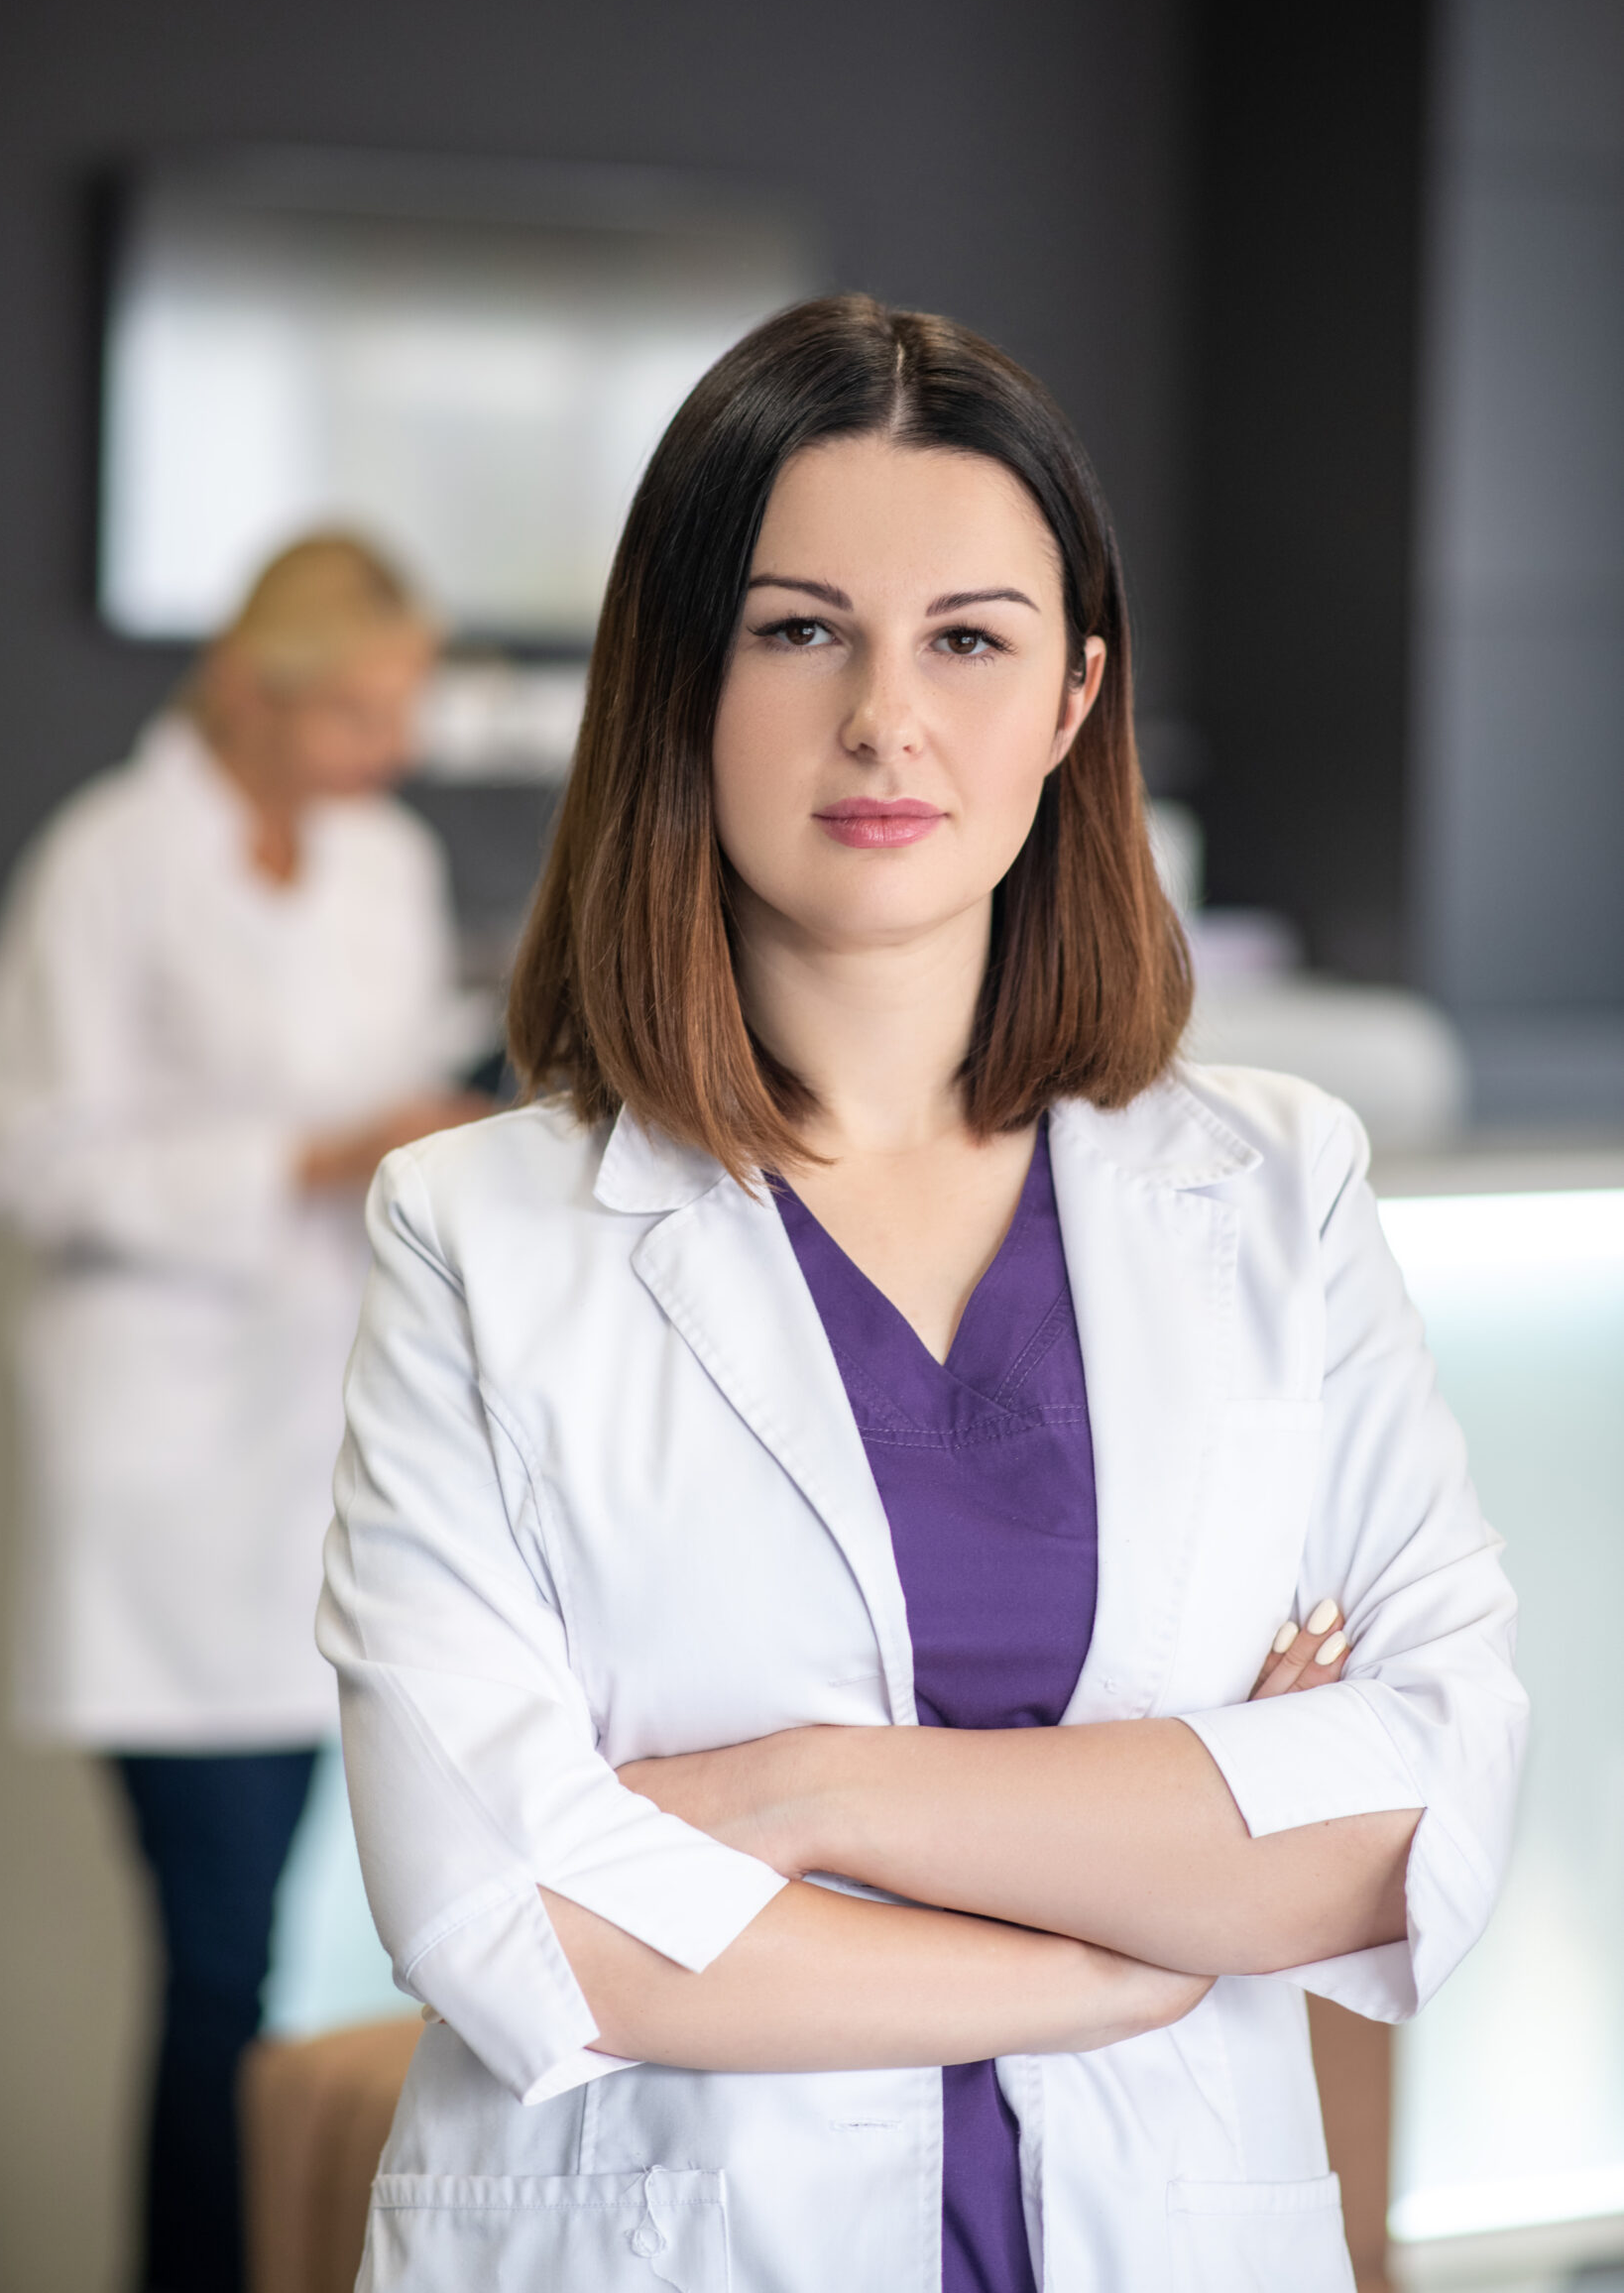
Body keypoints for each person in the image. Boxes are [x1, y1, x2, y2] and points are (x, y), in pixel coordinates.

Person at [319, 301, 1526, 2293]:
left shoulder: (1273, 1188)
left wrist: (800, 1794)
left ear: (1069, 699)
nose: (886, 714)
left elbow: (1412, 1803)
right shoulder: (478, 1232)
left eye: (966, 636)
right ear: (682, 682)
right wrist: (1129, 1927)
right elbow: (514, 1904)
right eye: (801, 629)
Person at [0, 534, 488, 2293]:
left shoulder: (387, 863)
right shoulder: (110, 865)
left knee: (349, 1951)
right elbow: (23, 1154)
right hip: (174, 1482)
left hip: (341, 1453)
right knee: (215, 1963)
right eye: (359, 708)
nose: (388, 750)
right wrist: (306, 1157)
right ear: (255, 690)